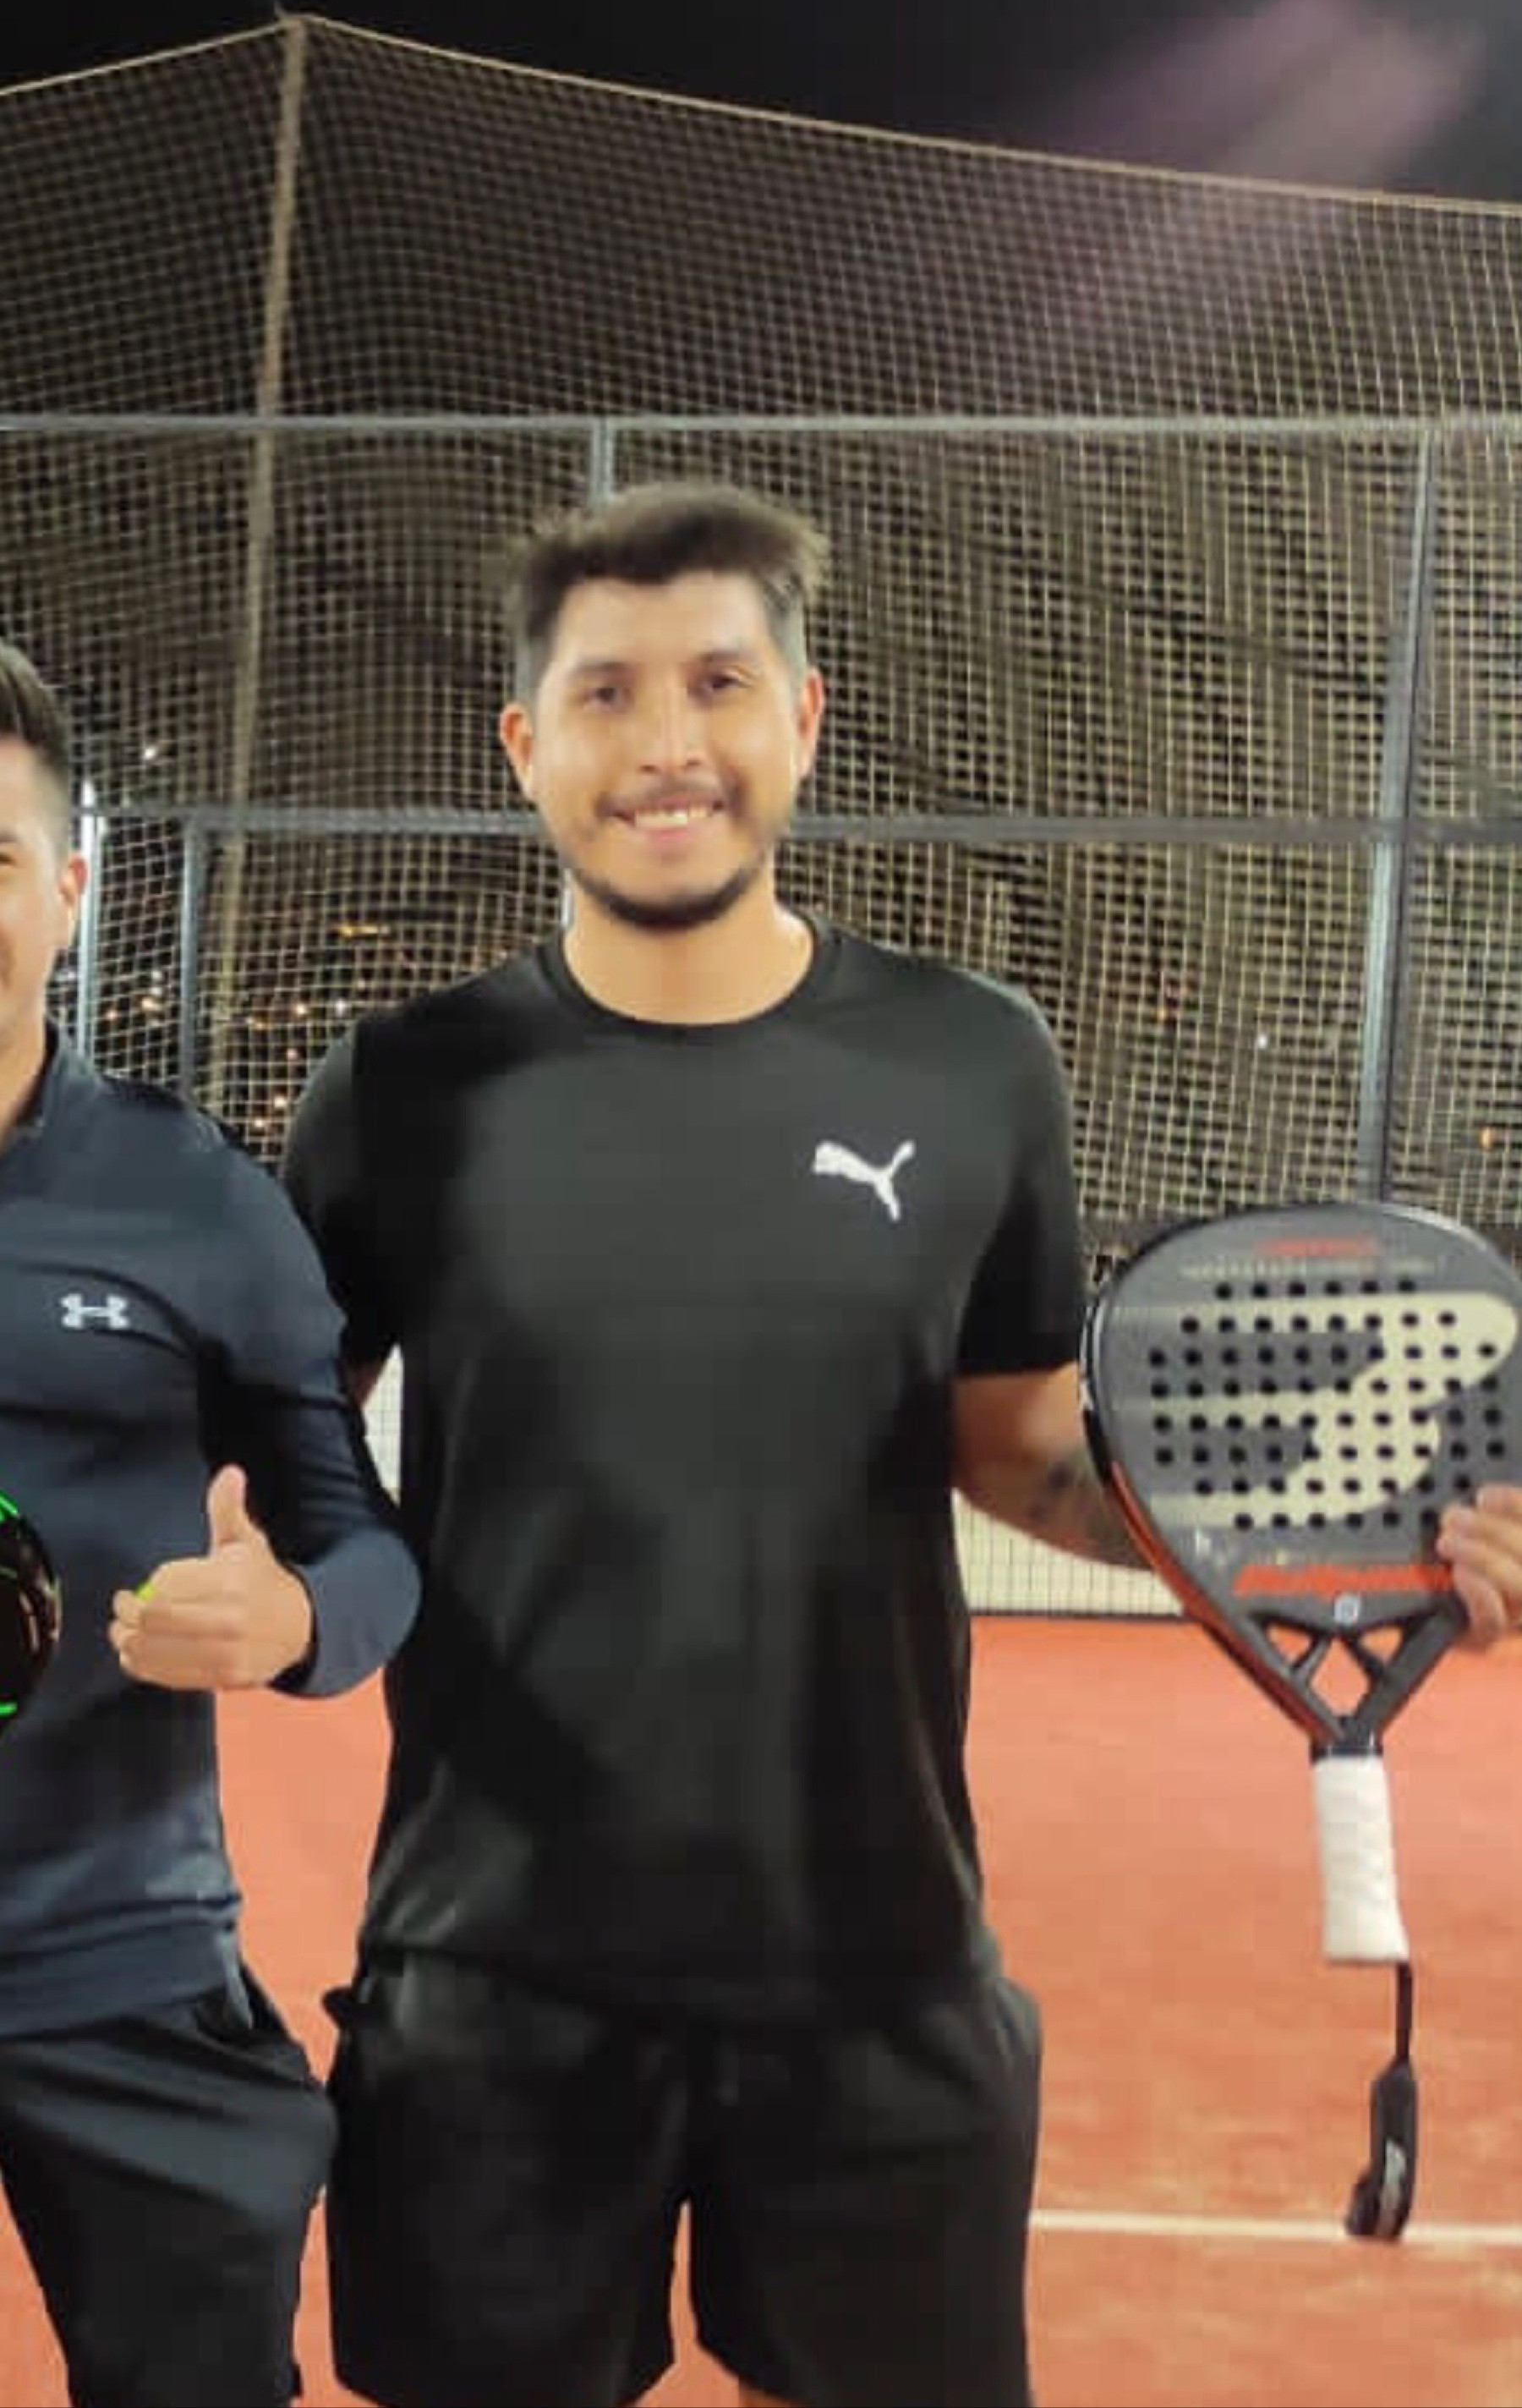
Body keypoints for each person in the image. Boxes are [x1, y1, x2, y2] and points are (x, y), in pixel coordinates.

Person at [281, 479, 1522, 2408]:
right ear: (525, 744)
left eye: (719, 682)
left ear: (805, 717)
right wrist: (273, 1566)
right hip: (490, 1969)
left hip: (878, 1964)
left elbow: (1025, 1453)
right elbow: (288, 1443)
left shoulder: (972, 1058)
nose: (667, 741)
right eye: (607, 692)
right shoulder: (402, 1087)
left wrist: (1358, 1538)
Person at [0, 637, 421, 2408]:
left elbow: (363, 1546)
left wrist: (294, 1621)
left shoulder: (191, 1198)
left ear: (70, 890)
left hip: (116, 1956)